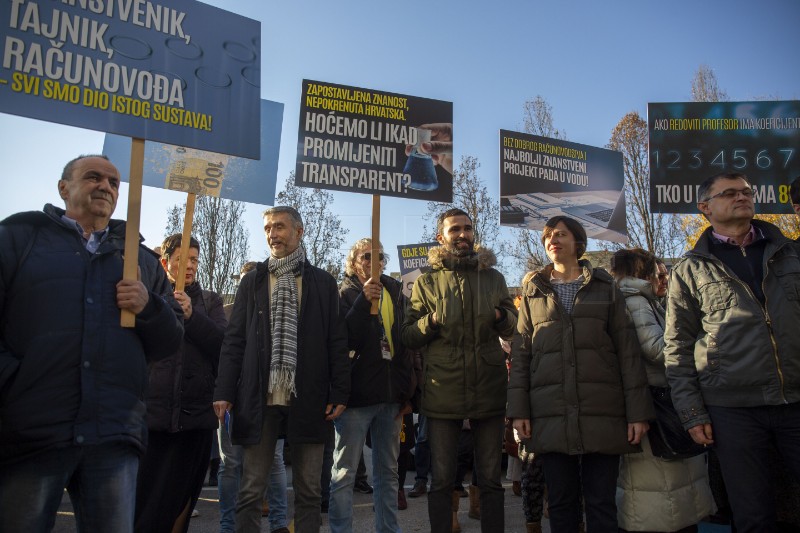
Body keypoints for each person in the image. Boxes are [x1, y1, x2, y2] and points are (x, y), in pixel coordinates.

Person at [0, 154, 184, 532]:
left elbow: (171, 341)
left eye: (115, 182)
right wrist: (13, 383)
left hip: (114, 434)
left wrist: (149, 307)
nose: (106, 186)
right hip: (32, 432)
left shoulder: (140, 260)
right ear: (63, 188)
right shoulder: (19, 238)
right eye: (93, 177)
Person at [664, 172, 800, 533]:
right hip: (732, 410)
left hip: (796, 398)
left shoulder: (790, 252)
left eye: (746, 192)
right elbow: (677, 346)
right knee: (753, 514)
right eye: (729, 194)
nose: (742, 198)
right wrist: (692, 414)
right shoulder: (690, 269)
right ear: (705, 208)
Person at [508, 215, 653, 533]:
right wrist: (519, 411)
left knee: (601, 502)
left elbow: (627, 352)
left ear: (578, 242)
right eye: (547, 236)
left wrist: (637, 413)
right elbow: (521, 356)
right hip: (551, 412)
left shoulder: (605, 287)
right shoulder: (533, 290)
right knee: (560, 502)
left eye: (560, 234)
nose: (552, 240)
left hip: (602, 410)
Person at [213, 206, 349, 533]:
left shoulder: (322, 283)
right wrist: (224, 391)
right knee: (250, 490)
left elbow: (336, 340)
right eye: (268, 228)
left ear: (299, 232)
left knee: (309, 491)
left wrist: (340, 390)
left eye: (280, 227)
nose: (273, 234)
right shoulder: (252, 281)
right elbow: (234, 341)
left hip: (309, 397)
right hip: (259, 399)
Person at [402, 208, 517, 532]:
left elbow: (514, 326)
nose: (463, 234)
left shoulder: (493, 278)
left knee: (492, 480)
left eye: (467, 228)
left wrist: (498, 316)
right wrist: (433, 320)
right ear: (441, 237)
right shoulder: (426, 282)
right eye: (455, 229)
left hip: (489, 388)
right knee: (441, 481)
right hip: (444, 393)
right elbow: (408, 334)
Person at [611, 248, 715, 533]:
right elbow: (657, 349)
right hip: (657, 403)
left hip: (657, 401)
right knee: (660, 495)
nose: (665, 278)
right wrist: (701, 339)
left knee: (671, 491)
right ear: (642, 273)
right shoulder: (635, 301)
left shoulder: (644, 300)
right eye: (660, 272)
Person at [134, 233, 227, 533]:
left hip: (195, 419)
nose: (188, 266)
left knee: (181, 503)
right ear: (165, 262)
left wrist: (191, 316)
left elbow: (223, 346)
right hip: (154, 418)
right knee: (148, 505)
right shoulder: (150, 296)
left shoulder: (210, 301)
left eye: (194, 260)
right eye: (181, 259)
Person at [328, 238, 418, 533]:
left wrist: (408, 393)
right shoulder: (344, 293)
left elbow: (405, 346)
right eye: (366, 256)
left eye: (379, 256)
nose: (372, 262)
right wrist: (362, 301)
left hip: (391, 399)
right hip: (355, 400)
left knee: (388, 474)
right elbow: (344, 340)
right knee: (344, 474)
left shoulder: (395, 291)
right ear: (353, 263)